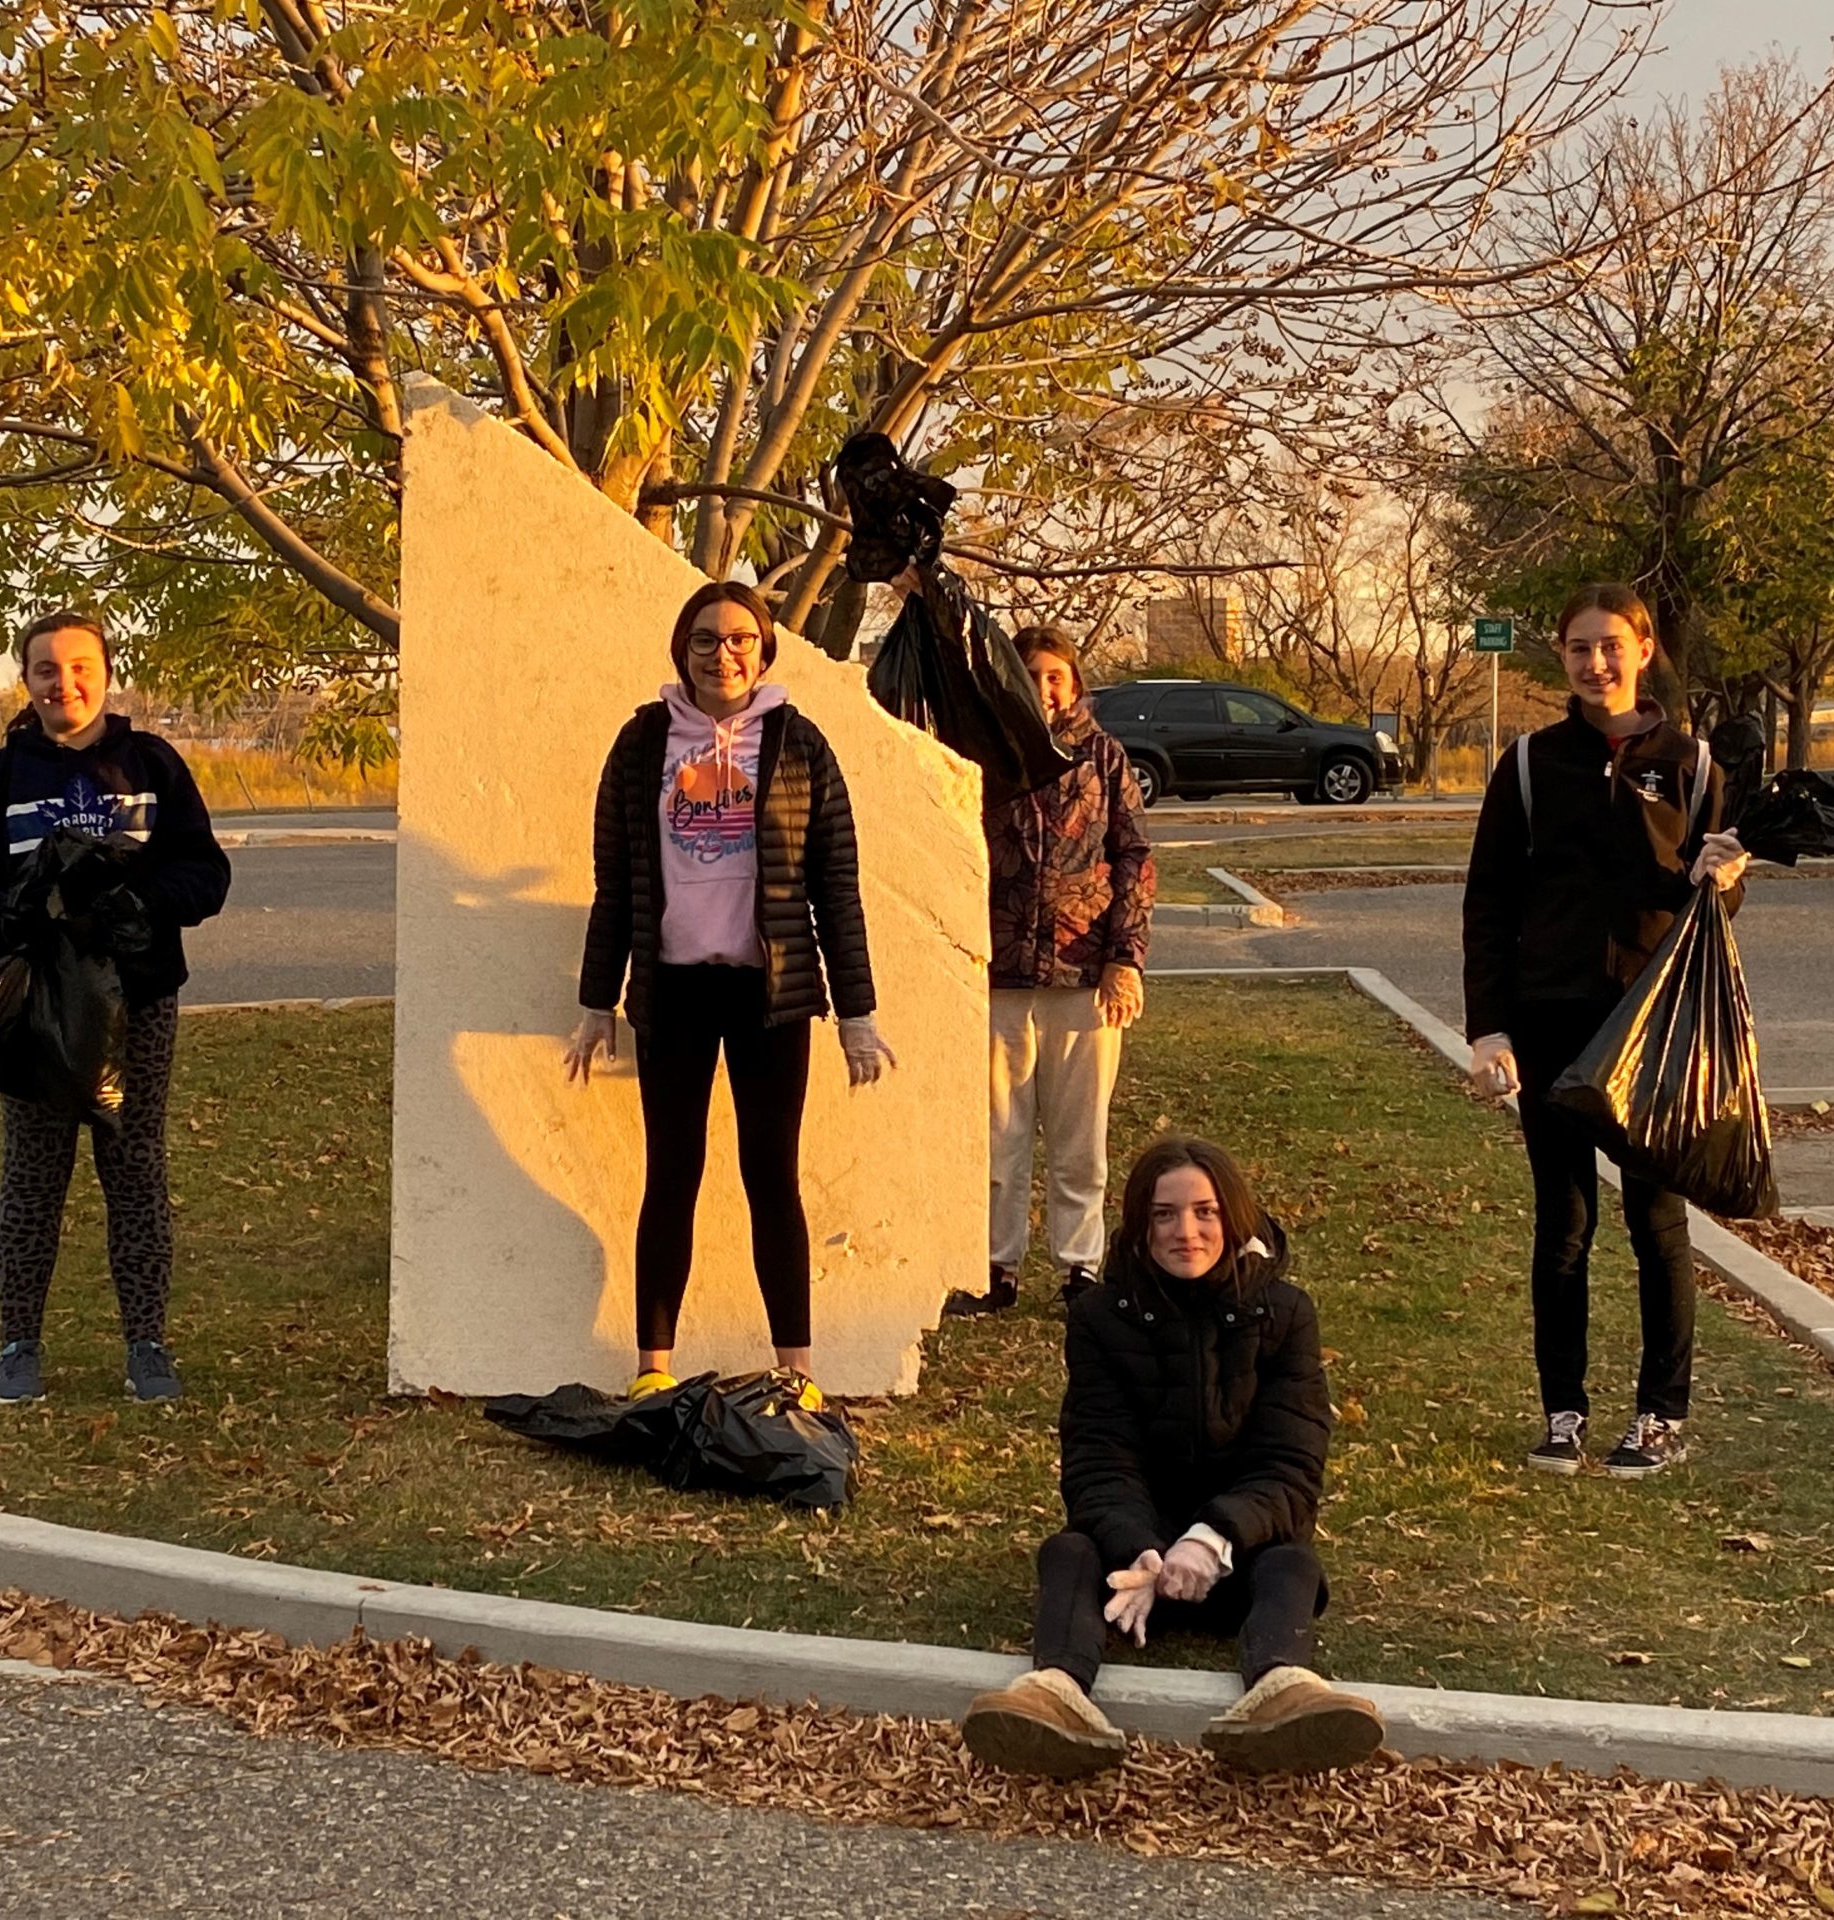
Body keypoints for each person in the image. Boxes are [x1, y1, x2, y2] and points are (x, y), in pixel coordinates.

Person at [564, 579, 894, 1406]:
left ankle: (800, 1372)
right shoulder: (643, 744)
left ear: (765, 649)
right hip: (672, 994)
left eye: (741, 637)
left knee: (770, 1177)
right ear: (684, 649)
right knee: (670, 1174)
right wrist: (595, 1002)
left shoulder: (801, 746)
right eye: (707, 639)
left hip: (770, 997)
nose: (724, 653)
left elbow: (836, 885)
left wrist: (856, 1013)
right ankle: (651, 1367)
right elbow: (616, 885)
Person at [960, 1135, 1384, 1777]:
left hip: (1238, 1551)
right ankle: (1056, 1696)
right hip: (1133, 1566)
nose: (1185, 1231)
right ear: (1139, 1224)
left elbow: (1290, 1466)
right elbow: (1097, 1461)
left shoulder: (1286, 1313)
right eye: (1164, 1214)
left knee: (1293, 1563)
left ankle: (1284, 1690)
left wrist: (1211, 1538)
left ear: (1233, 1217)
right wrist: (1143, 1551)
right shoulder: (1100, 1319)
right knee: (1069, 1552)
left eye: (1205, 1211)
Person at [1461, 581, 1749, 1479]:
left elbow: (1717, 901)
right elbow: (1489, 904)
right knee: (1565, 1221)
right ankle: (1563, 1410)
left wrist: (1725, 875)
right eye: (1580, 648)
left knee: (1655, 1218)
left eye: (1611, 646)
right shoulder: (1526, 765)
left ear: (1644, 647)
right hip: (1550, 1021)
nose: (1596, 663)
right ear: (1562, 656)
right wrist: (1490, 1029)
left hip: (1652, 1028)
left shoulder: (1694, 767)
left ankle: (1660, 1416)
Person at [0, 610, 231, 1406]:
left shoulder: (151, 763)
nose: (63, 683)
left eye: (78, 667)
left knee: (133, 1167)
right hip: (36, 1010)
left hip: (136, 998)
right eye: (44, 670)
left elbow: (206, 873)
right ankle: (18, 1343)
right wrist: (13, 915)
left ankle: (147, 1343)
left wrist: (139, 903)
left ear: (105, 672)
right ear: (24, 681)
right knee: (33, 1175)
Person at [944, 626, 1154, 1319]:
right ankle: (995, 1269)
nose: (1042, 686)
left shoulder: (1103, 757)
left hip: (1082, 976)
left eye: (1055, 675)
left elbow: (1135, 860)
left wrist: (1125, 959)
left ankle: (1081, 1269)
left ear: (1075, 682)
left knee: (1078, 1140)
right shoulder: (981, 752)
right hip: (999, 973)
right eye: (1028, 673)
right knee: (999, 1138)